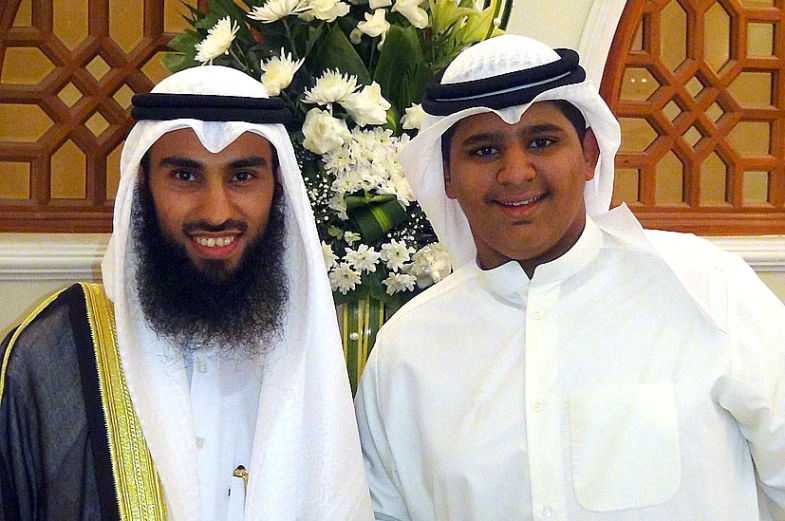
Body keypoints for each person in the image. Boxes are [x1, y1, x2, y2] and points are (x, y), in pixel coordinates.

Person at [355, 34, 785, 520]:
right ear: (448, 177)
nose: (516, 173)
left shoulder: (707, 286)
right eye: (484, 150)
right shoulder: (408, 351)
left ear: (588, 155)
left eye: (542, 141)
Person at [0, 65, 373, 520]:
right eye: (184, 176)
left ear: (278, 188)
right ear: (144, 184)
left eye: (242, 177)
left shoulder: (313, 352)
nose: (216, 212)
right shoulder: (51, 352)